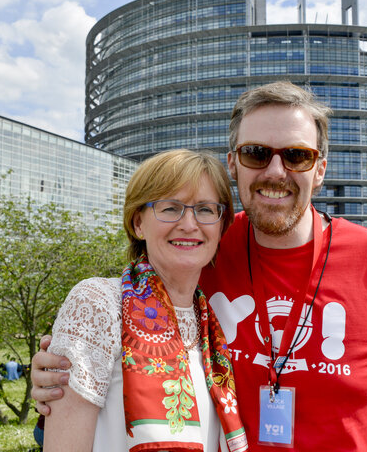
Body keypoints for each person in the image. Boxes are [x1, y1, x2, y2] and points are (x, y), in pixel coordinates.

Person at [32, 82, 367, 450]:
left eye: (297, 156)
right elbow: (119, 319)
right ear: (233, 163)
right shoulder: (202, 248)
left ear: (320, 171)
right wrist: (69, 370)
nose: (276, 171)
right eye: (256, 153)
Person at [44, 149, 246, 452]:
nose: (189, 224)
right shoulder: (98, 304)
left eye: (205, 209)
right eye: (170, 208)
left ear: (221, 226)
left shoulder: (212, 325)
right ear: (138, 223)